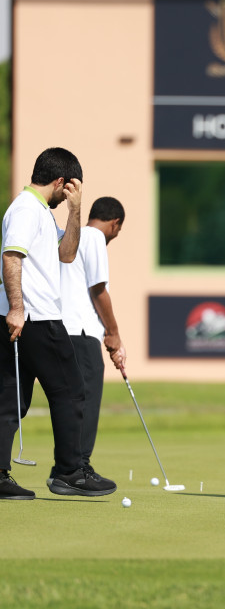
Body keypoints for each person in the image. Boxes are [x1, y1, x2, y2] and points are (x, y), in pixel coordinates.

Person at [0, 147, 117, 500]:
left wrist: (76, 211)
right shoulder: (26, 209)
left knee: (11, 399)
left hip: (25, 318)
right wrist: (17, 308)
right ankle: (69, 472)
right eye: (70, 190)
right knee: (71, 391)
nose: (69, 196)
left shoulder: (40, 212)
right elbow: (11, 256)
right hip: (35, 317)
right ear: (61, 182)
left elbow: (66, 255)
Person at [60, 196, 126, 474]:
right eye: (118, 231)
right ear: (115, 223)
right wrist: (113, 334)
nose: (114, 236)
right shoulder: (95, 237)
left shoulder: (67, 236)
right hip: (82, 332)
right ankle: (78, 467)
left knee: (69, 402)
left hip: (58, 330)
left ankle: (66, 468)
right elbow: (98, 289)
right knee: (86, 400)